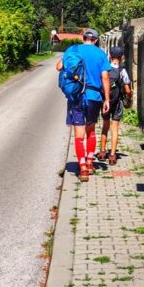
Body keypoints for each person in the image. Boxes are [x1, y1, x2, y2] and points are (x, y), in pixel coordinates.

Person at [56, 29, 110, 181]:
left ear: (83, 38)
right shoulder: (100, 54)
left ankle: (83, 169)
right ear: (96, 40)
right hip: (94, 97)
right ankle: (90, 162)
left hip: (77, 96)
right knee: (91, 131)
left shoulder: (73, 50)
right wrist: (106, 99)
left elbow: (59, 67)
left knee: (79, 136)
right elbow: (105, 77)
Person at [97, 46, 132, 166]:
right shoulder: (122, 70)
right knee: (115, 128)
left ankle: (102, 152)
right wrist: (130, 97)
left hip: (105, 102)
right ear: (122, 57)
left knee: (105, 126)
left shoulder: (104, 68)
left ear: (110, 57)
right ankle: (112, 155)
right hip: (117, 102)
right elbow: (127, 90)